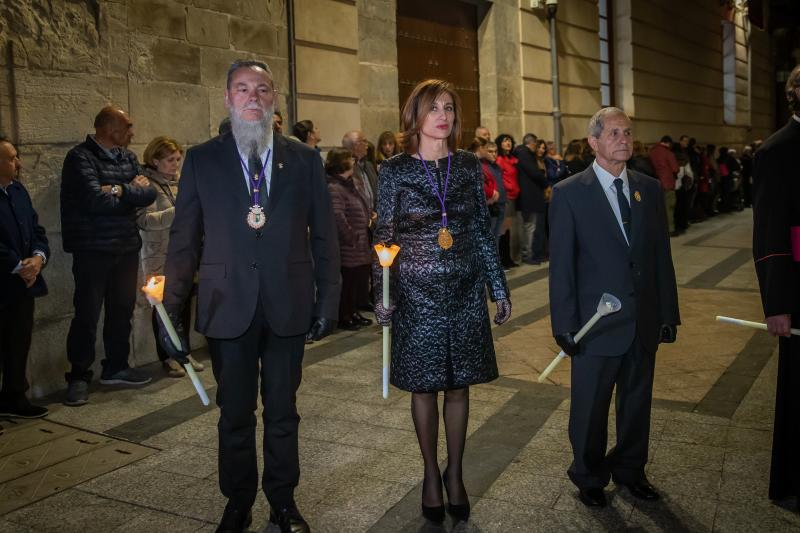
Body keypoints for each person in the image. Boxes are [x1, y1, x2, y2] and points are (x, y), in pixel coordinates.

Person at [159, 60, 340, 533]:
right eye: (242, 89)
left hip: (288, 301)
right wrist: (170, 311)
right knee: (234, 413)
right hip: (227, 302)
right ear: (227, 99)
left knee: (283, 410)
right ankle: (237, 501)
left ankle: (283, 501)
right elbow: (183, 239)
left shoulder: (302, 159)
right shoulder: (201, 159)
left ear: (274, 97)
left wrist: (329, 302)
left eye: (261, 89)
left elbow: (324, 235)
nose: (252, 97)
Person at [373, 79, 511, 524]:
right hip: (416, 295)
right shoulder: (394, 169)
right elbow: (384, 240)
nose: (444, 116)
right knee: (424, 386)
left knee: (459, 383)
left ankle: (456, 473)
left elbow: (481, 233)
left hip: (465, 290)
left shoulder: (469, 165)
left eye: (449, 107)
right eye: (434, 108)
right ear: (415, 115)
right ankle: (431, 473)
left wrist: (498, 287)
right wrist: (383, 294)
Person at [549, 107, 679, 508]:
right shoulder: (570, 193)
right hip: (596, 323)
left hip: (641, 320)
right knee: (589, 406)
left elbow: (660, 256)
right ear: (593, 142)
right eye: (614, 133)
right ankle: (588, 475)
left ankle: (630, 470)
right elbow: (562, 266)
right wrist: (564, 325)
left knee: (636, 404)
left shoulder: (648, 189)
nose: (624, 139)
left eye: (627, 132)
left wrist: (668, 313)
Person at [60, 105, 157, 406]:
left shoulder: (128, 157)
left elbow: (148, 193)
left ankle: (116, 366)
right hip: (93, 249)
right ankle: (78, 375)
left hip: (126, 247)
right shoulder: (80, 157)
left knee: (121, 311)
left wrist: (116, 190)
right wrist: (128, 191)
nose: (132, 131)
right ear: (109, 127)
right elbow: (93, 200)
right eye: (127, 125)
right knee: (87, 314)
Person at [752, 63, 800, 512]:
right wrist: (777, 304)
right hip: (799, 288)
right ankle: (793, 481)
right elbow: (769, 234)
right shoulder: (776, 149)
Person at [137, 136, 204, 378]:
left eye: (178, 159)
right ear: (155, 160)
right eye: (170, 160)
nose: (175, 164)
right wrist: (180, 211)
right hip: (158, 256)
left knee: (183, 303)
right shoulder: (145, 185)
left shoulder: (178, 184)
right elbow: (145, 221)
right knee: (163, 308)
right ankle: (167, 356)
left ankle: (183, 351)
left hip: (182, 253)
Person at [0, 137, 49, 419]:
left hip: (23, 282)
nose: (18, 163)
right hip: (5, 278)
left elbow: (36, 230)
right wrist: (18, 265)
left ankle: (14, 397)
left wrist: (38, 258)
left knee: (19, 341)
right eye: (12, 158)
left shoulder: (18, 191)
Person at [325, 147, 372, 331]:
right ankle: (345, 315)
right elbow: (338, 216)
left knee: (356, 281)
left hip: (358, 242)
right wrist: (351, 236)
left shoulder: (350, 184)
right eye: (349, 159)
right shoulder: (335, 187)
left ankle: (353, 312)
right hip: (348, 244)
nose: (353, 161)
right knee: (348, 282)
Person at [513, 134, 548, 265]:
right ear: (532, 144)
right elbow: (534, 172)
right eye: (536, 145)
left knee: (529, 226)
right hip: (529, 195)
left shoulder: (521, 153)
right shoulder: (524, 154)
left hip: (529, 195)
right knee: (529, 226)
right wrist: (545, 183)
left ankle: (529, 253)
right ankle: (527, 254)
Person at [494, 134, 519, 268]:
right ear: (500, 144)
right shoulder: (499, 160)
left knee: (508, 230)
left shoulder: (512, 159)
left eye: (509, 140)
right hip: (506, 197)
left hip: (513, 197)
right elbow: (499, 179)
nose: (508, 142)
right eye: (504, 141)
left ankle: (507, 258)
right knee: (502, 230)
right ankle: (502, 260)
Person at [648, 135, 679, 235]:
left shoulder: (651, 152)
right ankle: (670, 229)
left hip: (654, 183)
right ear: (668, 143)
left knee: (657, 208)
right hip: (667, 183)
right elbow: (675, 168)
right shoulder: (668, 153)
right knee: (669, 206)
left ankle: (658, 230)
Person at [342, 130, 378, 211]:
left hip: (374, 216)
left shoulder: (369, 165)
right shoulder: (344, 168)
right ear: (355, 145)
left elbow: (376, 191)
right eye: (364, 141)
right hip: (357, 217)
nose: (367, 144)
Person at [482, 141, 507, 245]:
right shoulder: (482, 166)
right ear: (484, 151)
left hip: (501, 203)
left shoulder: (497, 167)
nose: (494, 154)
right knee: (490, 235)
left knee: (497, 234)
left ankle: (496, 260)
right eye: (490, 151)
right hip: (491, 205)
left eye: (495, 151)